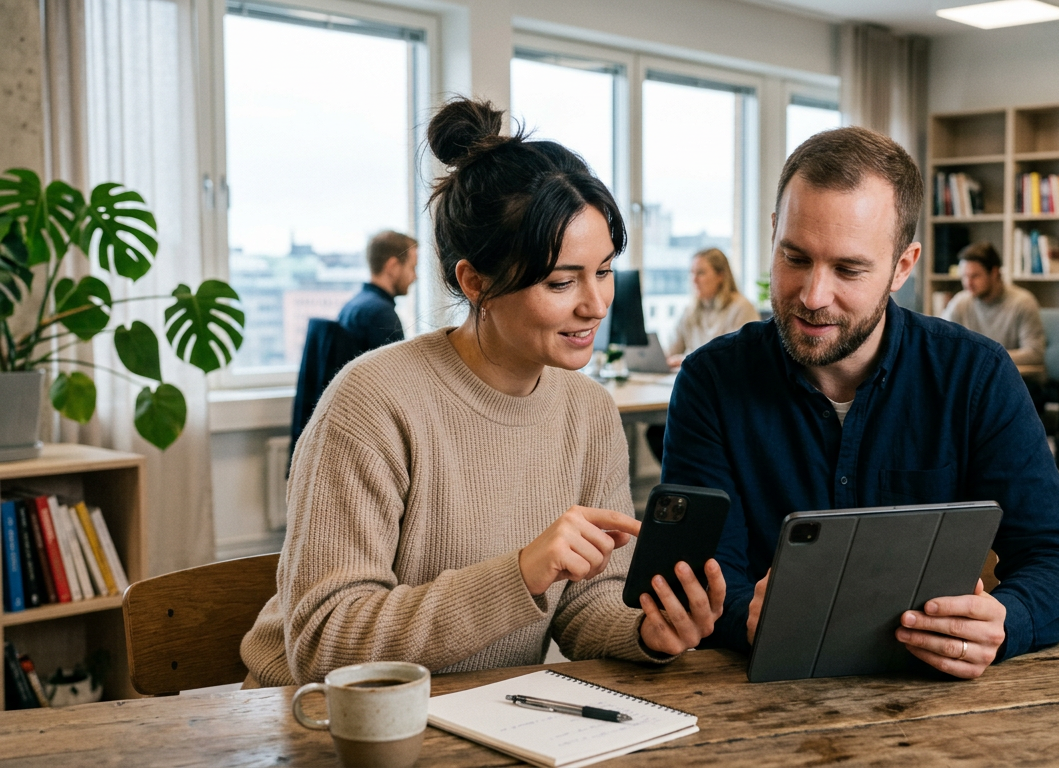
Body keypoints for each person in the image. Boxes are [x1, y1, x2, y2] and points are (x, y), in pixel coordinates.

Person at [242, 98, 726, 687]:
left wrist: (644, 632)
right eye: (560, 280)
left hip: (481, 714)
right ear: (474, 282)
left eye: (603, 271)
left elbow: (584, 605)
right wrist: (519, 574)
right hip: (324, 722)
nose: (596, 305)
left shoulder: (590, 411)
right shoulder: (372, 402)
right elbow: (324, 645)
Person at [660, 127, 1059, 679]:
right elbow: (701, 577)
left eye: (848, 269)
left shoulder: (975, 375)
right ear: (774, 235)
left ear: (903, 266)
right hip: (763, 699)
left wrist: (1006, 619)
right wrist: (744, 613)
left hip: (936, 704)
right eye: (795, 257)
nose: (814, 296)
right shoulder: (711, 381)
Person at [940, 242, 1046, 368]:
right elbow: (941, 343)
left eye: (975, 276)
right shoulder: (960, 302)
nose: (968, 283)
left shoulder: (1022, 302)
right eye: (964, 276)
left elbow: (1035, 353)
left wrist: (984, 357)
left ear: (994, 273)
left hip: (1014, 381)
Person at [665, 247, 760, 368]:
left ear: (720, 276)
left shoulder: (742, 308)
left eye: (701, 273)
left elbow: (740, 359)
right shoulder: (690, 310)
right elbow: (670, 352)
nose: (694, 279)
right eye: (692, 272)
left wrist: (688, 360)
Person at [337, 230, 419, 352]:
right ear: (393, 266)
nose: (415, 277)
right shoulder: (382, 315)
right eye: (412, 268)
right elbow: (397, 369)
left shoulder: (351, 306)